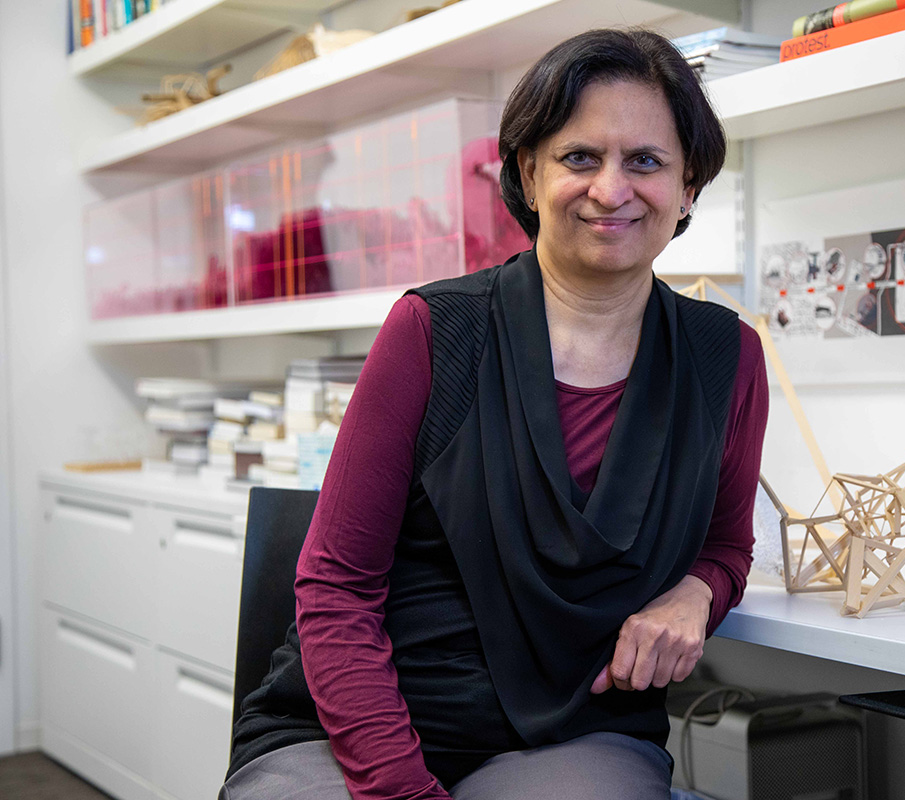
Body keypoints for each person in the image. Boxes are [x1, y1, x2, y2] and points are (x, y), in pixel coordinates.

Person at [222, 27, 768, 800]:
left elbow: (727, 543)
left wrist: (699, 591)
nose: (612, 190)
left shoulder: (728, 358)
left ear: (688, 188)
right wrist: (402, 789)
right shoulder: (432, 331)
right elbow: (337, 588)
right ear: (526, 170)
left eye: (645, 161)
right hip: (350, 729)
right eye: (581, 157)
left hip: (573, 731)